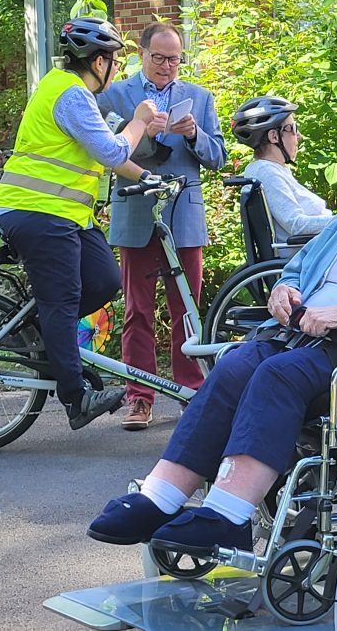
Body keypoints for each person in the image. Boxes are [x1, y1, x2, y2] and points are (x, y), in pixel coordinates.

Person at [87, 101, 337, 553]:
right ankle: (161, 495)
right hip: (310, 340)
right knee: (236, 363)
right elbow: (300, 264)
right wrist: (283, 290)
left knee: (276, 376)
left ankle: (229, 514)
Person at [0, 17, 158, 430]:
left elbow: (111, 156)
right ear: (98, 61)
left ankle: (46, 332)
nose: (117, 69)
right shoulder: (69, 94)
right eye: (115, 61)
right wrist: (139, 121)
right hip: (37, 210)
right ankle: (76, 398)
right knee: (63, 300)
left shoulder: (71, 92)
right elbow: (110, 149)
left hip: (65, 215)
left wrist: (149, 178)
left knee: (104, 281)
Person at [96, 22, 227, 431]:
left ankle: (191, 391)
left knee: (187, 310)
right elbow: (102, 150)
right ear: (141, 54)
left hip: (183, 215)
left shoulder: (199, 97)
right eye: (159, 58)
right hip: (136, 211)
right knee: (137, 310)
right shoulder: (115, 95)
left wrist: (195, 135)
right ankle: (140, 398)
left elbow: (218, 157)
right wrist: (138, 131)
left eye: (175, 59)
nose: (168, 66)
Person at [230, 96, 332, 258]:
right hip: (305, 262)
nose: (299, 136)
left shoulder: (273, 170)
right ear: (274, 136)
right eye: (293, 128)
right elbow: (296, 225)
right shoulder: (266, 172)